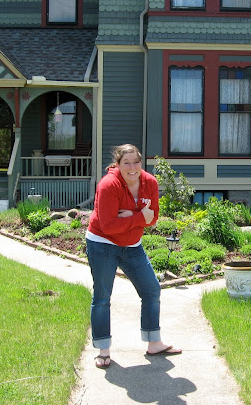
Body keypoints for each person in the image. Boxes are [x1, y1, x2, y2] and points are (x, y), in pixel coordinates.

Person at [86, 144, 182, 369]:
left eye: (136, 162)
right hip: (103, 244)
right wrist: (139, 217)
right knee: (102, 297)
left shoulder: (150, 183)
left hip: (132, 245)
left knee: (151, 290)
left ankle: (154, 342)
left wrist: (130, 215)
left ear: (141, 162)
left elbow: (153, 218)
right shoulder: (108, 185)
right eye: (126, 163)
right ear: (117, 165)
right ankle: (103, 349)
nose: (132, 167)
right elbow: (109, 226)